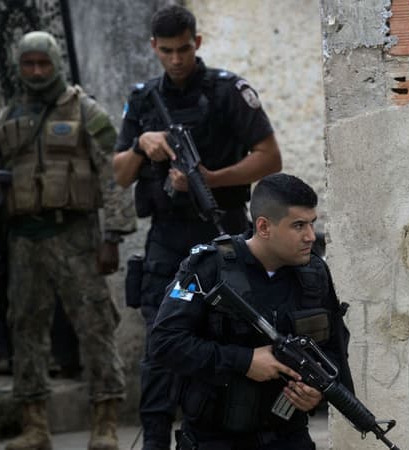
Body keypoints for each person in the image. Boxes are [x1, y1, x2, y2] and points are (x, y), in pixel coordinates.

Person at [112, 5, 281, 449]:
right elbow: (119, 174)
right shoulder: (144, 97)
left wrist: (209, 178)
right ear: (154, 48)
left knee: (224, 339)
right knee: (161, 348)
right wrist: (140, 144)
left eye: (184, 49)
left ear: (197, 43)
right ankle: (154, 441)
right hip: (167, 243)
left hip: (222, 237)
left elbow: (269, 157)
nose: (176, 60)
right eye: (166, 51)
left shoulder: (228, 91)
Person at [0, 31, 134, 450]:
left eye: (42, 63)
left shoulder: (85, 110)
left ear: (56, 63)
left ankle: (104, 423)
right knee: (26, 330)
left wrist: (114, 235)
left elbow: (114, 173)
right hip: (24, 242)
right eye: (28, 64)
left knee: (96, 326)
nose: (35, 71)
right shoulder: (7, 117)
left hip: (76, 237)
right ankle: (35, 426)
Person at [148, 173, 351, 449]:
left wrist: (317, 393)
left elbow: (335, 349)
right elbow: (164, 342)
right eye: (299, 225)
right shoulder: (207, 268)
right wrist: (244, 361)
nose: (310, 236)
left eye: (312, 224)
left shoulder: (313, 274)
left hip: (288, 437)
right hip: (215, 439)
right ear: (264, 227)